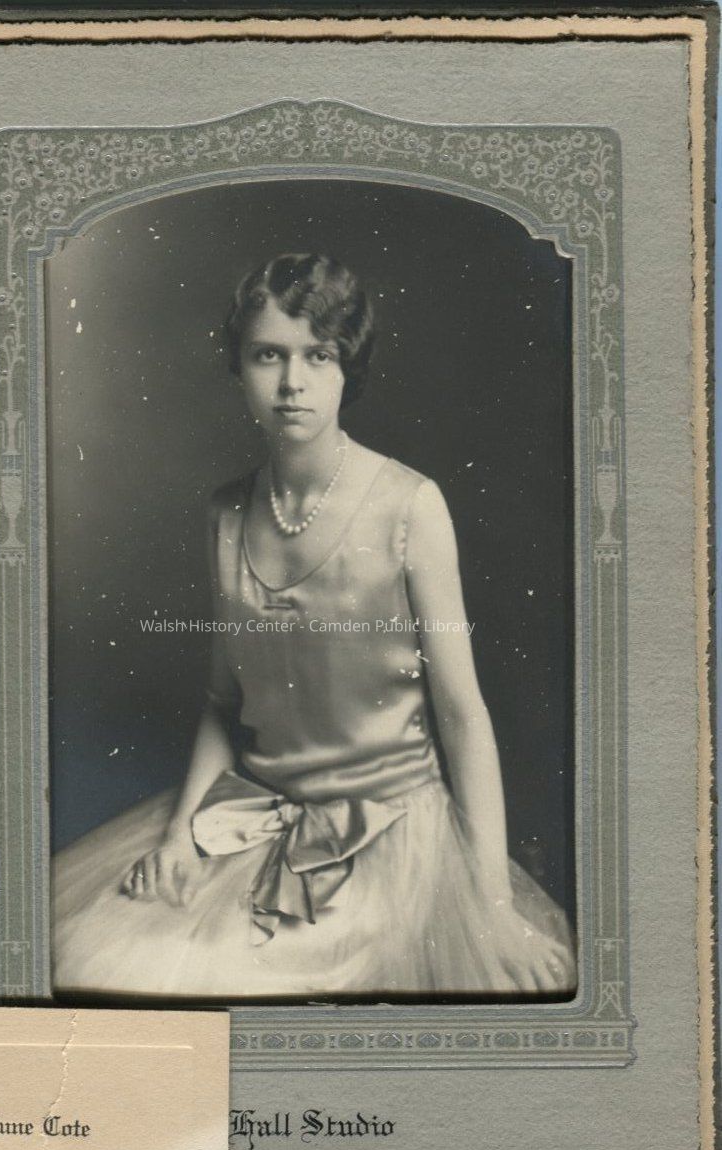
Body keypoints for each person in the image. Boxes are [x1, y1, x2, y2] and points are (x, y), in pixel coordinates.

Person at [53, 252, 575, 998]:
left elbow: (463, 716)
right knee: (95, 957)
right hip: (254, 817)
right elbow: (222, 704)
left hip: (390, 835)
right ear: (239, 368)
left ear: (344, 367)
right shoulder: (225, 513)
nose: (292, 382)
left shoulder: (411, 506)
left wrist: (490, 910)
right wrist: (179, 837)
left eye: (317, 355)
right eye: (269, 355)